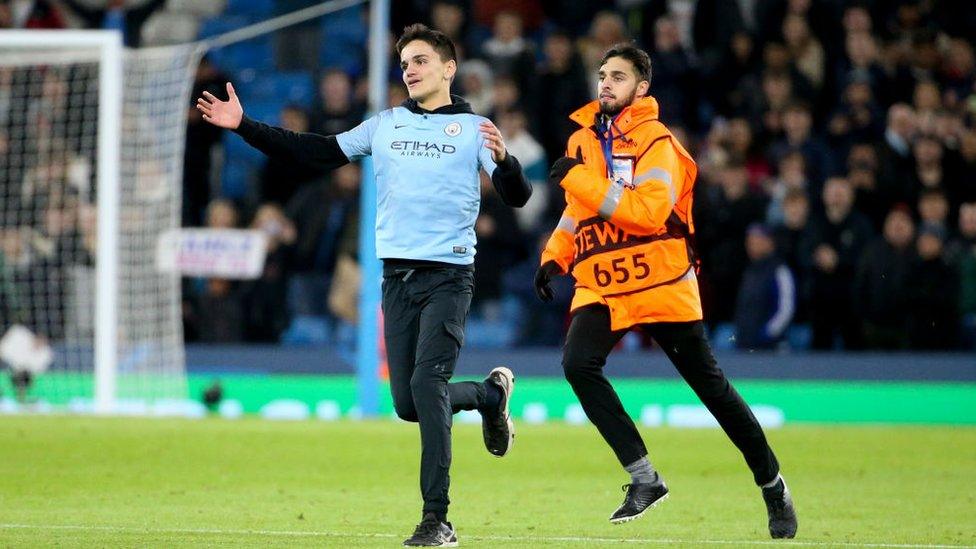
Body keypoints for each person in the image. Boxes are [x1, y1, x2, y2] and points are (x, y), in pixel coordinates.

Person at [196, 23, 531, 547]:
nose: (410, 70)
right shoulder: (385, 125)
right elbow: (315, 151)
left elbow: (517, 197)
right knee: (409, 403)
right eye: (404, 63)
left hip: (449, 275)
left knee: (426, 387)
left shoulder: (474, 129)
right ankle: (490, 395)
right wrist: (244, 126)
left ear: (448, 68)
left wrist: (507, 161)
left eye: (420, 60)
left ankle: (436, 520)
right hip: (396, 278)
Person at [534, 43, 797, 539]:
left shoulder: (659, 144)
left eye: (618, 76)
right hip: (608, 283)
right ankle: (644, 479)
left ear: (641, 88)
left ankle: (772, 484)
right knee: (576, 365)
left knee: (712, 393)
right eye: (602, 75)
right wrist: (555, 254)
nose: (606, 83)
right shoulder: (583, 142)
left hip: (660, 283)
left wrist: (584, 182)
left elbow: (648, 213)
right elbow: (578, 209)